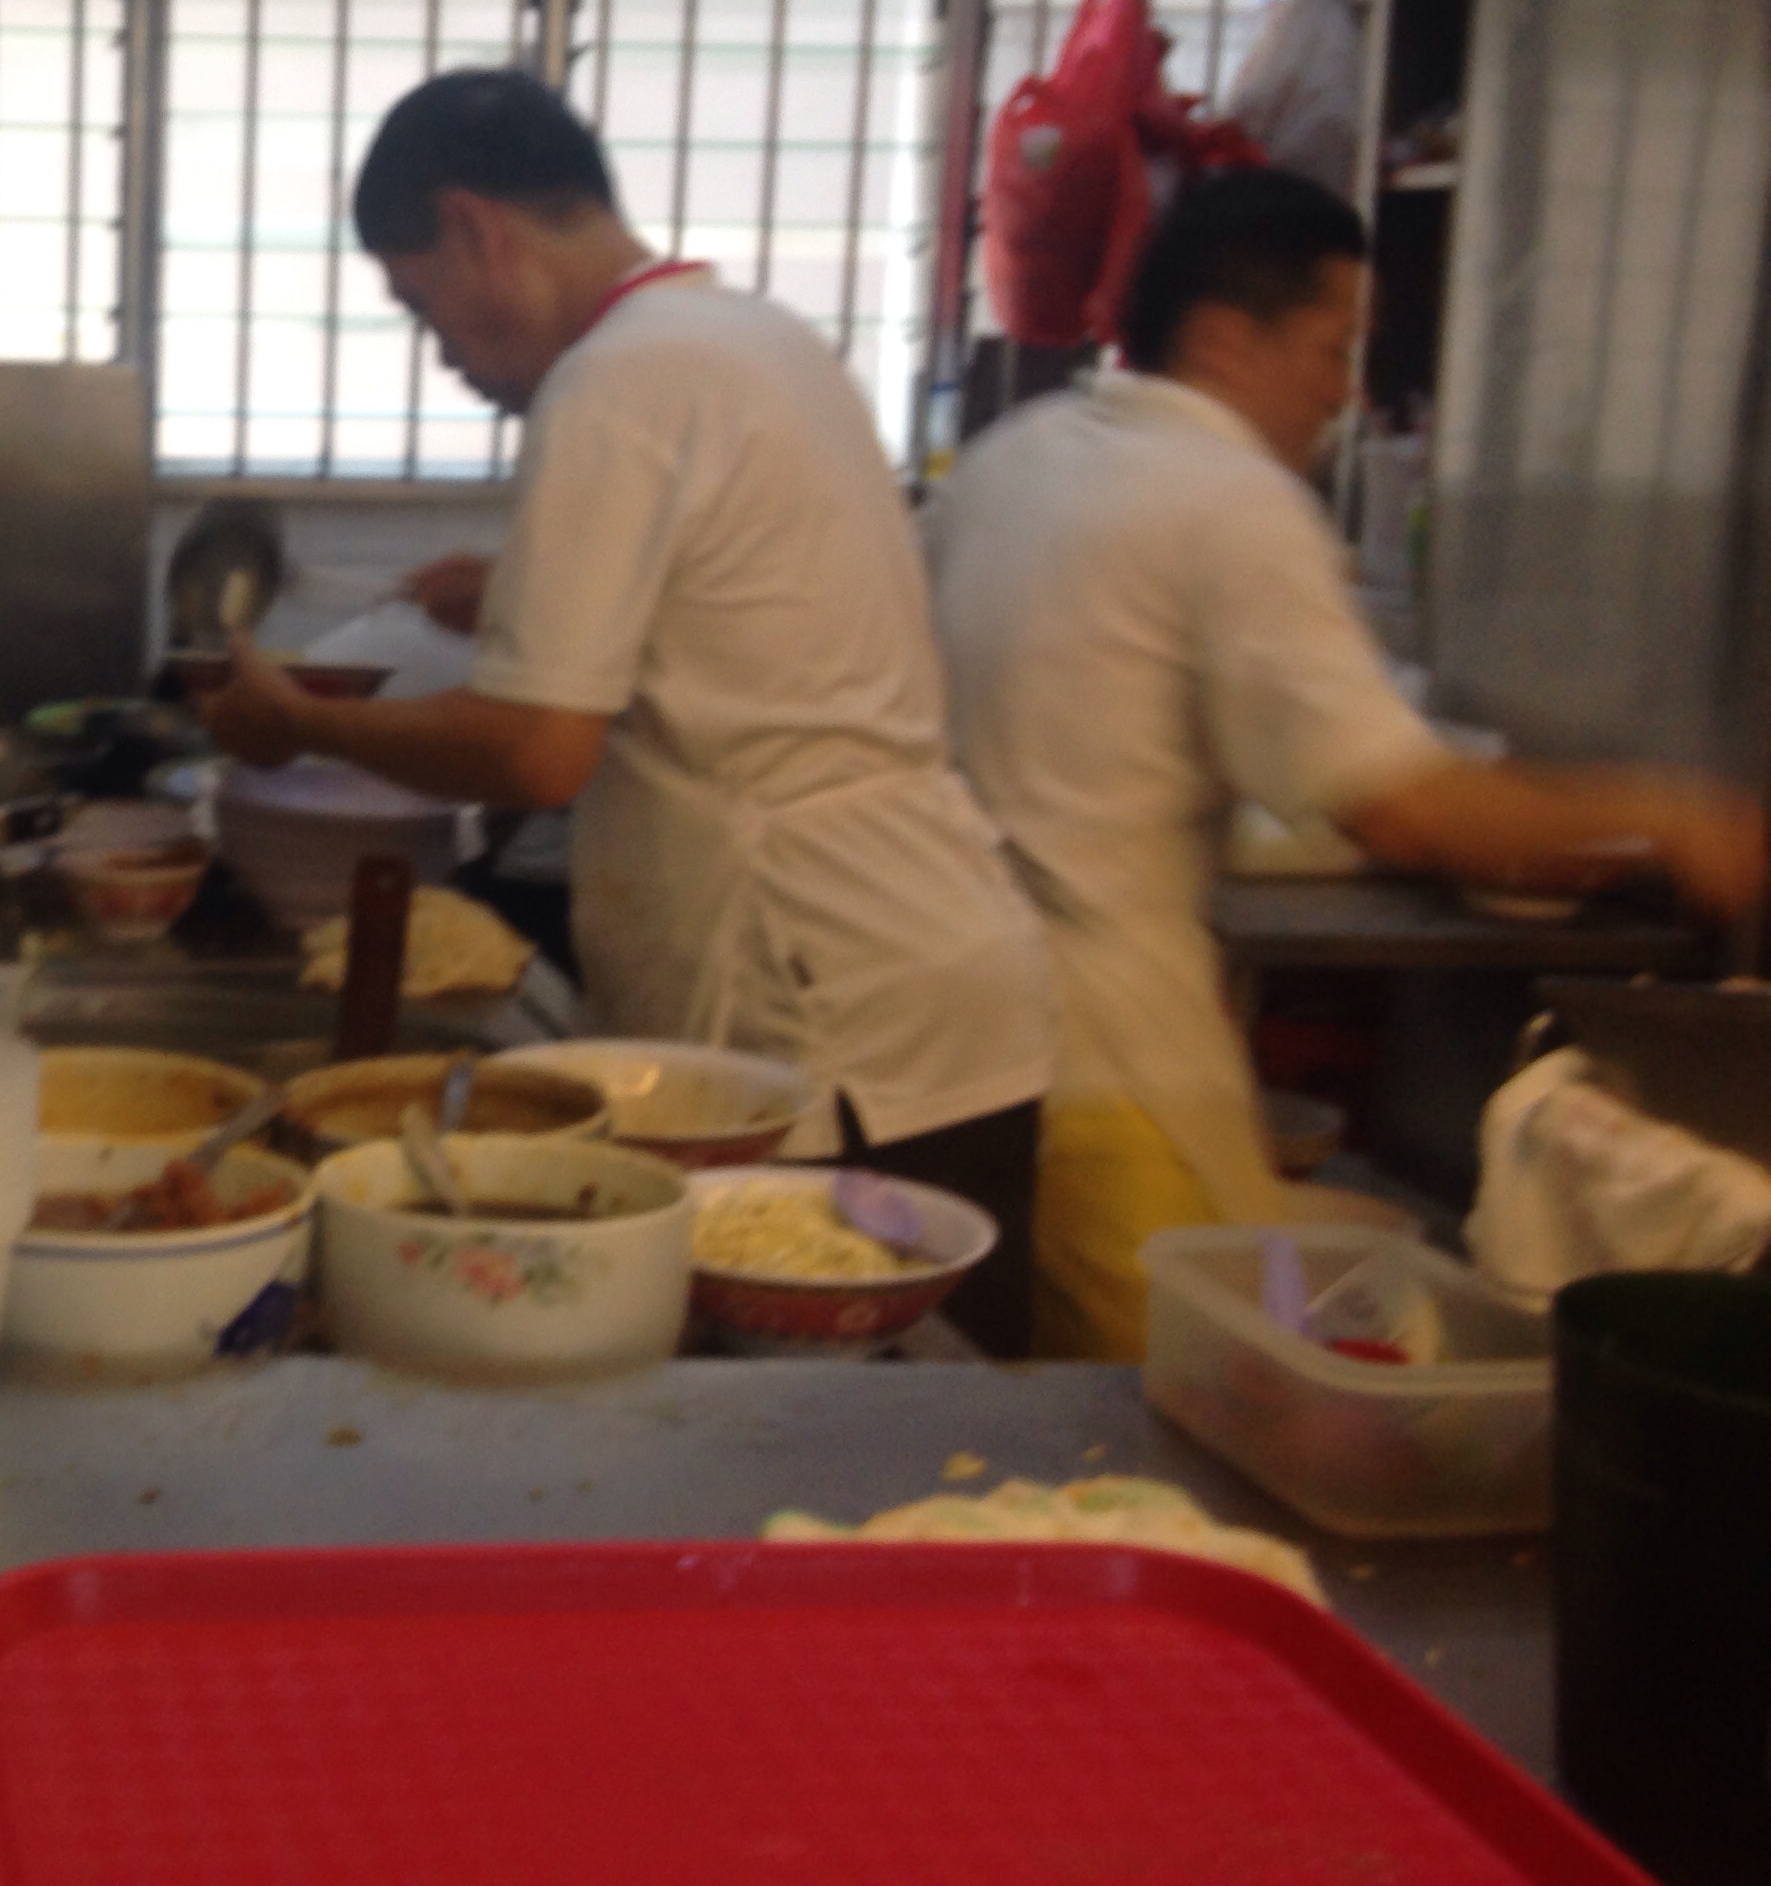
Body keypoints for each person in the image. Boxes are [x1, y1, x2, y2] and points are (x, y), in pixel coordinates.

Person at [193, 69, 1058, 1354]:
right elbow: (750, 606)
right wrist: (520, 593)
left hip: (822, 1002)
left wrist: (299, 724)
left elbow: (535, 754)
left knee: (813, 1424)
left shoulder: (613, 383)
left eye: (426, 306)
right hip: (934, 967)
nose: (445, 355)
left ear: (478, 227)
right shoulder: (752, 337)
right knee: (934, 1414)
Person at [926, 169, 1764, 1360]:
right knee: (1171, 1410)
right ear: (1225, 339)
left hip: (962, 1043)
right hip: (1110, 1068)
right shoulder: (1229, 498)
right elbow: (1407, 811)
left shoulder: (1019, 453)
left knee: (1030, 1397)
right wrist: (1673, 817)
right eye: (1331, 349)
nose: (1343, 390)